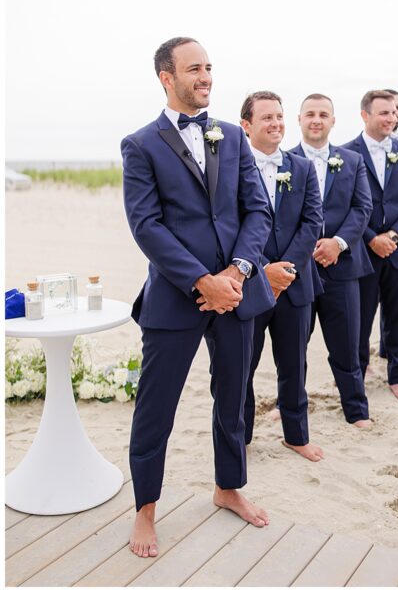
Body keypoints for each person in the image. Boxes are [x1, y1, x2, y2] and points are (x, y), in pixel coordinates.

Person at [121, 37, 273, 557]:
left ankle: (228, 487)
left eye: (209, 67)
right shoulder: (140, 145)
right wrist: (200, 281)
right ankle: (145, 510)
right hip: (174, 298)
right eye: (194, 69)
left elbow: (258, 212)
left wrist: (236, 271)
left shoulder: (231, 136)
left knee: (232, 399)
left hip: (236, 293)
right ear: (167, 77)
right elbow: (146, 226)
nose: (205, 76)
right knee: (155, 407)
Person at [239, 91, 324, 461]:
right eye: (266, 118)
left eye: (279, 117)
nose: (276, 124)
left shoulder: (302, 167)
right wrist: (262, 271)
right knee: (242, 365)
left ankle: (296, 435)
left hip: (295, 284)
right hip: (249, 285)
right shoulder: (233, 168)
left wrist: (285, 269)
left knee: (294, 363)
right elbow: (231, 226)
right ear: (246, 125)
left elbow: (312, 221)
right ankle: (239, 437)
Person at [291, 94, 373, 429]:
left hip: (343, 267)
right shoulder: (285, 161)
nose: (316, 120)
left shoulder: (352, 161)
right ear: (299, 119)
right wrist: (306, 247)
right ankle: (293, 411)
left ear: (333, 121)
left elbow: (362, 208)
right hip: (299, 269)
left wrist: (338, 243)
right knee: (294, 347)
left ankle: (356, 409)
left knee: (347, 344)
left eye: (323, 114)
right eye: (310, 114)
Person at [346, 90, 398, 401]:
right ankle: (359, 371)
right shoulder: (347, 154)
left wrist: (393, 237)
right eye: (383, 113)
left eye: (393, 112)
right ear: (365, 115)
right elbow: (344, 206)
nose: (391, 118)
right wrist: (370, 238)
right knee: (360, 318)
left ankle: (397, 375)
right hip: (361, 251)